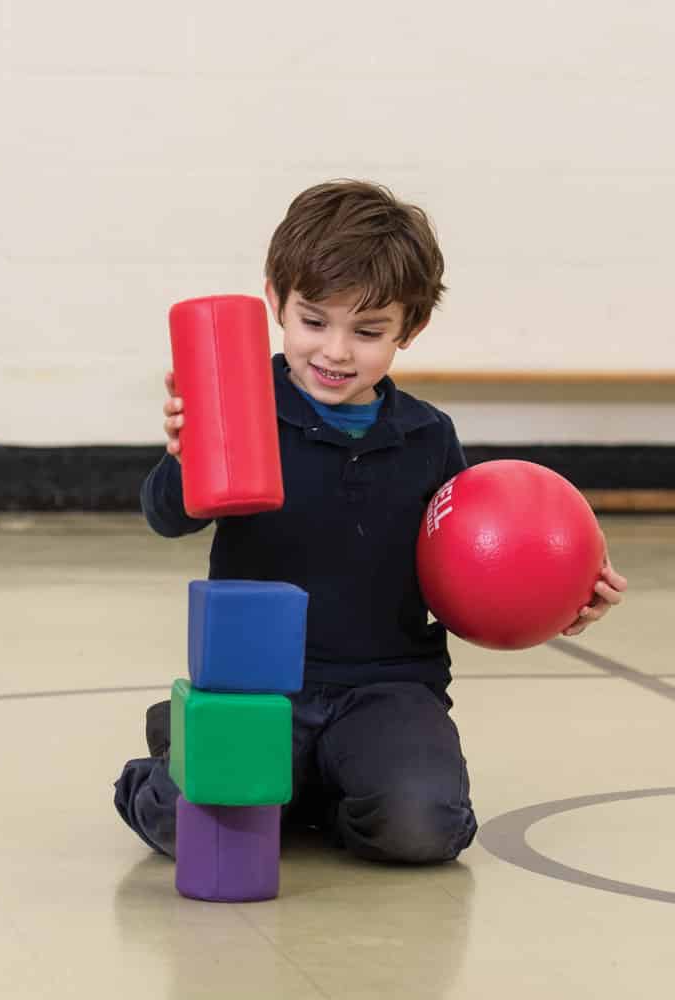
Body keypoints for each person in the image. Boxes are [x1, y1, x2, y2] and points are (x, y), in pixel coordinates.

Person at [114, 179, 628, 863]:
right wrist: (187, 457)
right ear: (276, 300)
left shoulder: (427, 437)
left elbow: (467, 571)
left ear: (409, 329)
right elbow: (165, 517)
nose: (334, 351)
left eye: (368, 331)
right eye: (314, 321)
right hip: (261, 688)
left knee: (422, 830)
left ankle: (318, 786)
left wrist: (556, 597)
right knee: (189, 824)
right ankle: (185, 754)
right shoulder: (240, 404)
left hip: (388, 689)